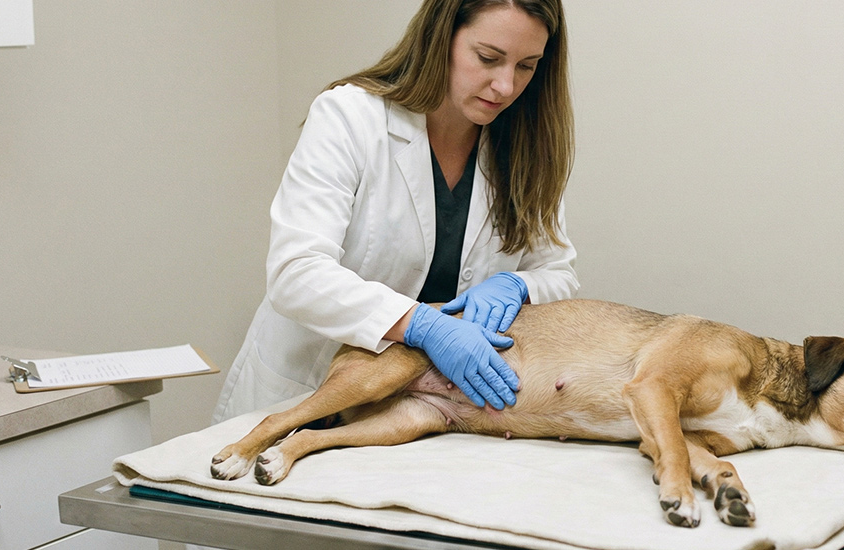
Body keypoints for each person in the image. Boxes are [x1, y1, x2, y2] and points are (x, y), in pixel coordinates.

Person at [212, 0, 578, 423]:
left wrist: (518, 285)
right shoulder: (350, 117)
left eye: (527, 66)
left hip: (421, 411)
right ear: (440, 37)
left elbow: (559, 273)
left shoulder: (526, 149)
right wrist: (420, 324)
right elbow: (296, 272)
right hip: (307, 388)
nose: (505, 87)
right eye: (487, 58)